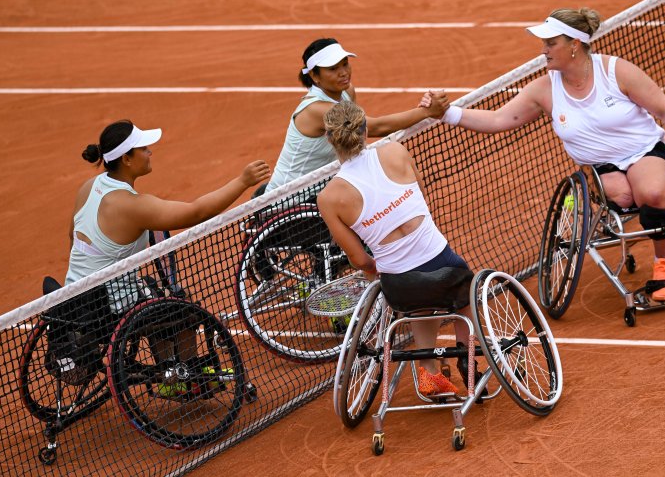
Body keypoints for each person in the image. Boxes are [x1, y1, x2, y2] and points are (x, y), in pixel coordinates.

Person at [436, 7, 665, 302]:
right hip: (600, 168)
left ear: (574, 45)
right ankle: (647, 216)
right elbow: (498, 120)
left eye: (550, 43)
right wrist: (447, 113)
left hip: (643, 151)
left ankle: (664, 266)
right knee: (624, 197)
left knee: (650, 193)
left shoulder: (615, 71)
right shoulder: (544, 89)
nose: (543, 50)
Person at [60, 119, 270, 391]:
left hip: (73, 298)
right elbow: (196, 212)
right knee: (182, 308)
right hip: (110, 307)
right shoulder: (133, 205)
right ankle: (184, 374)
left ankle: (169, 367)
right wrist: (242, 181)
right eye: (144, 148)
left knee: (151, 291)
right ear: (126, 158)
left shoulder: (89, 187)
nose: (150, 152)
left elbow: (71, 237)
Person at [317, 101, 480, 397]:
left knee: (417, 299)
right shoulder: (395, 150)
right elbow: (420, 203)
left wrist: (375, 268)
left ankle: (430, 372)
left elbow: (359, 259)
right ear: (366, 129)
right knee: (465, 293)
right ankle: (466, 357)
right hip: (444, 267)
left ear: (329, 138)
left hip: (399, 286)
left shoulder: (328, 198)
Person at [262, 37, 449, 197]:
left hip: (321, 187)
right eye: (333, 68)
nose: (344, 72)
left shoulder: (346, 92)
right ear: (314, 75)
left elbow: (358, 135)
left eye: (345, 64)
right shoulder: (317, 109)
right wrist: (426, 112)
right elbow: (375, 127)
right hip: (289, 198)